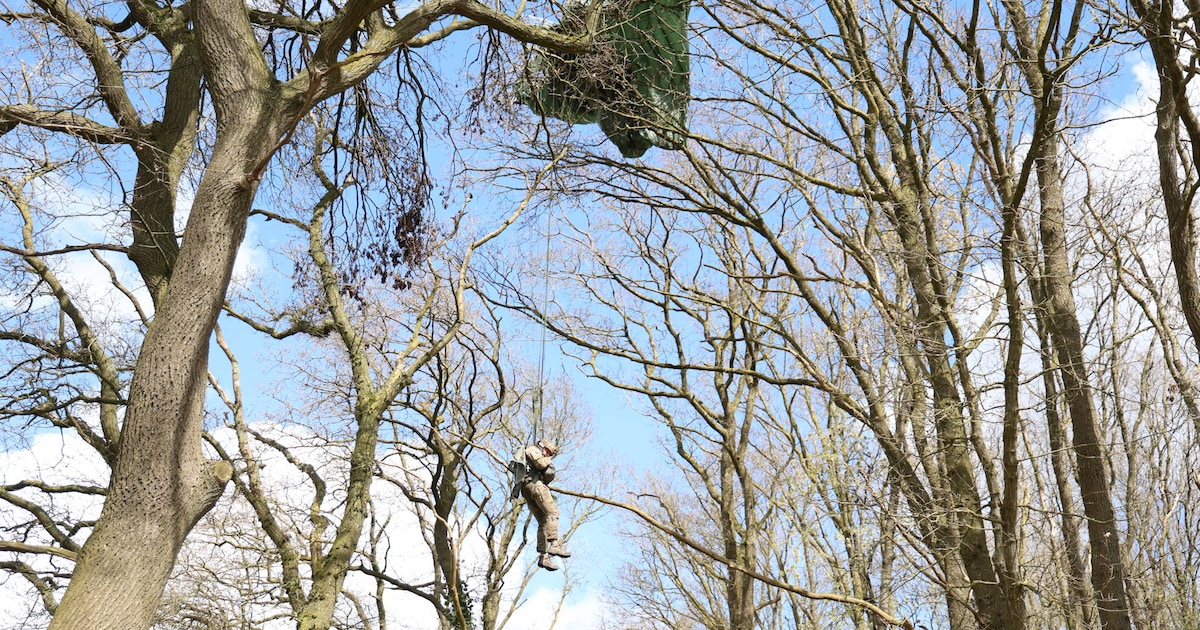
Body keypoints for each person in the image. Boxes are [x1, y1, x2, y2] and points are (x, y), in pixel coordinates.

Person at [516, 439, 571, 571]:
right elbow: (540, 463)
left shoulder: (535, 453)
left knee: (544, 522)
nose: (548, 455)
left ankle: (543, 556)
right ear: (542, 447)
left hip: (529, 488)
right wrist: (548, 461)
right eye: (548, 452)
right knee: (553, 513)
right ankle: (554, 545)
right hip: (534, 486)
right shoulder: (532, 450)